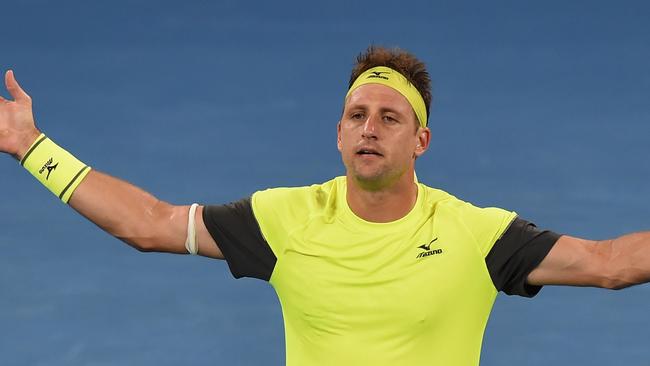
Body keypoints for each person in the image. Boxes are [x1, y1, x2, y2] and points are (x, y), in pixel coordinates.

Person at [1, 46, 649, 366]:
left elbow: (610, 263)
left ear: (420, 140)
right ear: (338, 132)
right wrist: (33, 147)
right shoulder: (282, 219)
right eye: (357, 115)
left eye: (390, 117)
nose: (369, 128)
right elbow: (149, 224)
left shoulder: (478, 234)